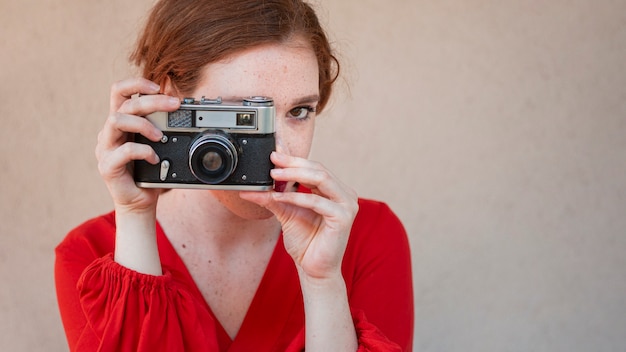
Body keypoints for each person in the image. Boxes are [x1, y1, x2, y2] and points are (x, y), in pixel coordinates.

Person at [54, 0, 414, 351]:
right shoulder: (91, 254)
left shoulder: (367, 235)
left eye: (300, 111)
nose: (281, 150)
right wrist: (134, 216)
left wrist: (322, 283)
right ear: (170, 100)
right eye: (244, 115)